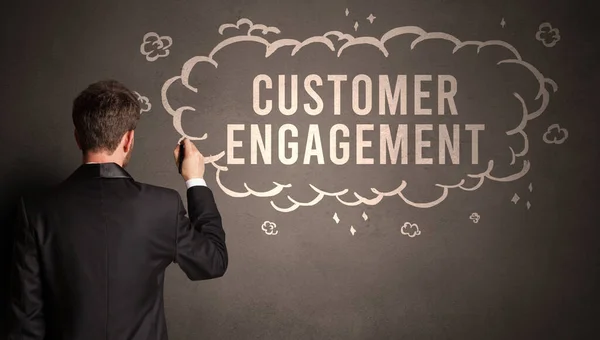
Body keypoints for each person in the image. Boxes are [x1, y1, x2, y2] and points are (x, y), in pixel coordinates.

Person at [8, 80, 228, 340]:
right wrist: (194, 180)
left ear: (78, 137)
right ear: (128, 139)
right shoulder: (162, 206)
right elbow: (212, 263)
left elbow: (25, 320)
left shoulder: (35, 210)